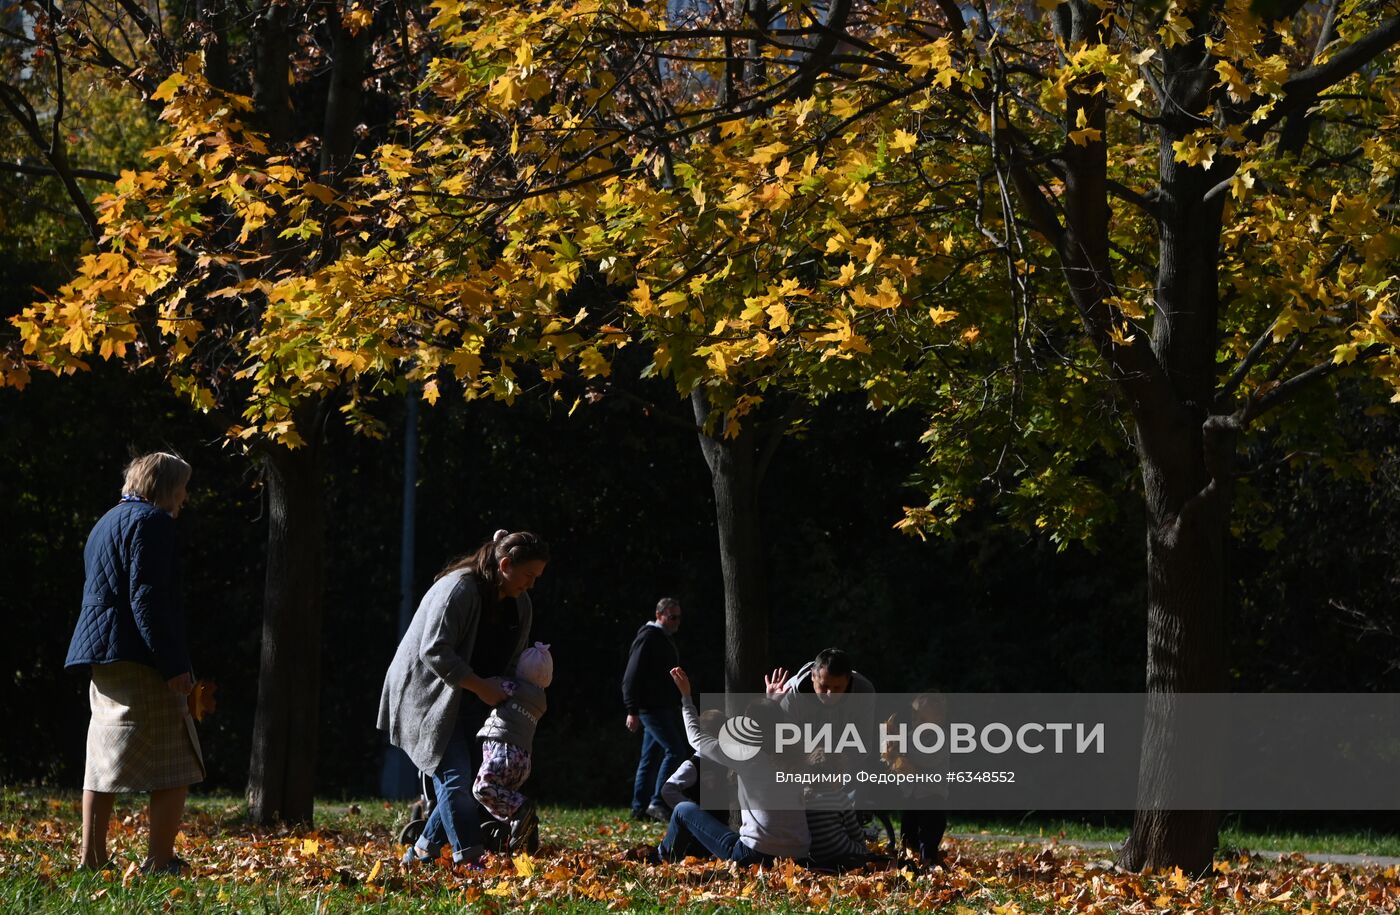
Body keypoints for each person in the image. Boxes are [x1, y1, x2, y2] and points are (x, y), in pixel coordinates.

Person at [65, 452, 201, 875]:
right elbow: (148, 599)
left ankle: (92, 857)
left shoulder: (105, 522)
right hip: (140, 656)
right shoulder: (153, 522)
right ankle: (159, 861)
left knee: (102, 755)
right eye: (182, 488)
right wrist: (174, 664)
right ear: (164, 487)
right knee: (177, 757)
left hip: (100, 655)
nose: (185, 498)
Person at [378, 529, 549, 867]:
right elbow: (434, 650)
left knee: (472, 783)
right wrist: (482, 686)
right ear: (504, 565)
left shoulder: (521, 604)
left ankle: (420, 855)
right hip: (428, 699)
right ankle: (471, 863)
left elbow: (513, 661)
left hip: (472, 702)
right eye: (528, 575)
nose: (531, 584)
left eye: (537, 577)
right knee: (456, 779)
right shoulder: (459, 589)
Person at [656, 667, 809, 865]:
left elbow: (695, 738)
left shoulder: (746, 757)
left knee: (683, 809)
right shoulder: (797, 757)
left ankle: (664, 858)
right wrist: (770, 705)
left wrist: (686, 697)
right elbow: (770, 725)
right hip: (798, 857)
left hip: (754, 856)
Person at [473, 641, 552, 853]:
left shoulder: (513, 687)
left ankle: (521, 810)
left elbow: (488, 688)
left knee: (483, 788)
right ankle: (526, 833)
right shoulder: (540, 700)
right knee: (502, 794)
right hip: (522, 759)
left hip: (504, 750)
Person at [622, 597, 686, 821]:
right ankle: (657, 802)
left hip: (661, 706)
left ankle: (639, 808)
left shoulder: (662, 639)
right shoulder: (648, 638)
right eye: (672, 617)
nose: (676, 622)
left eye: (678, 617)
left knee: (650, 758)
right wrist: (632, 709)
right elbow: (631, 675)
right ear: (659, 615)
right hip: (652, 708)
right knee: (676, 751)